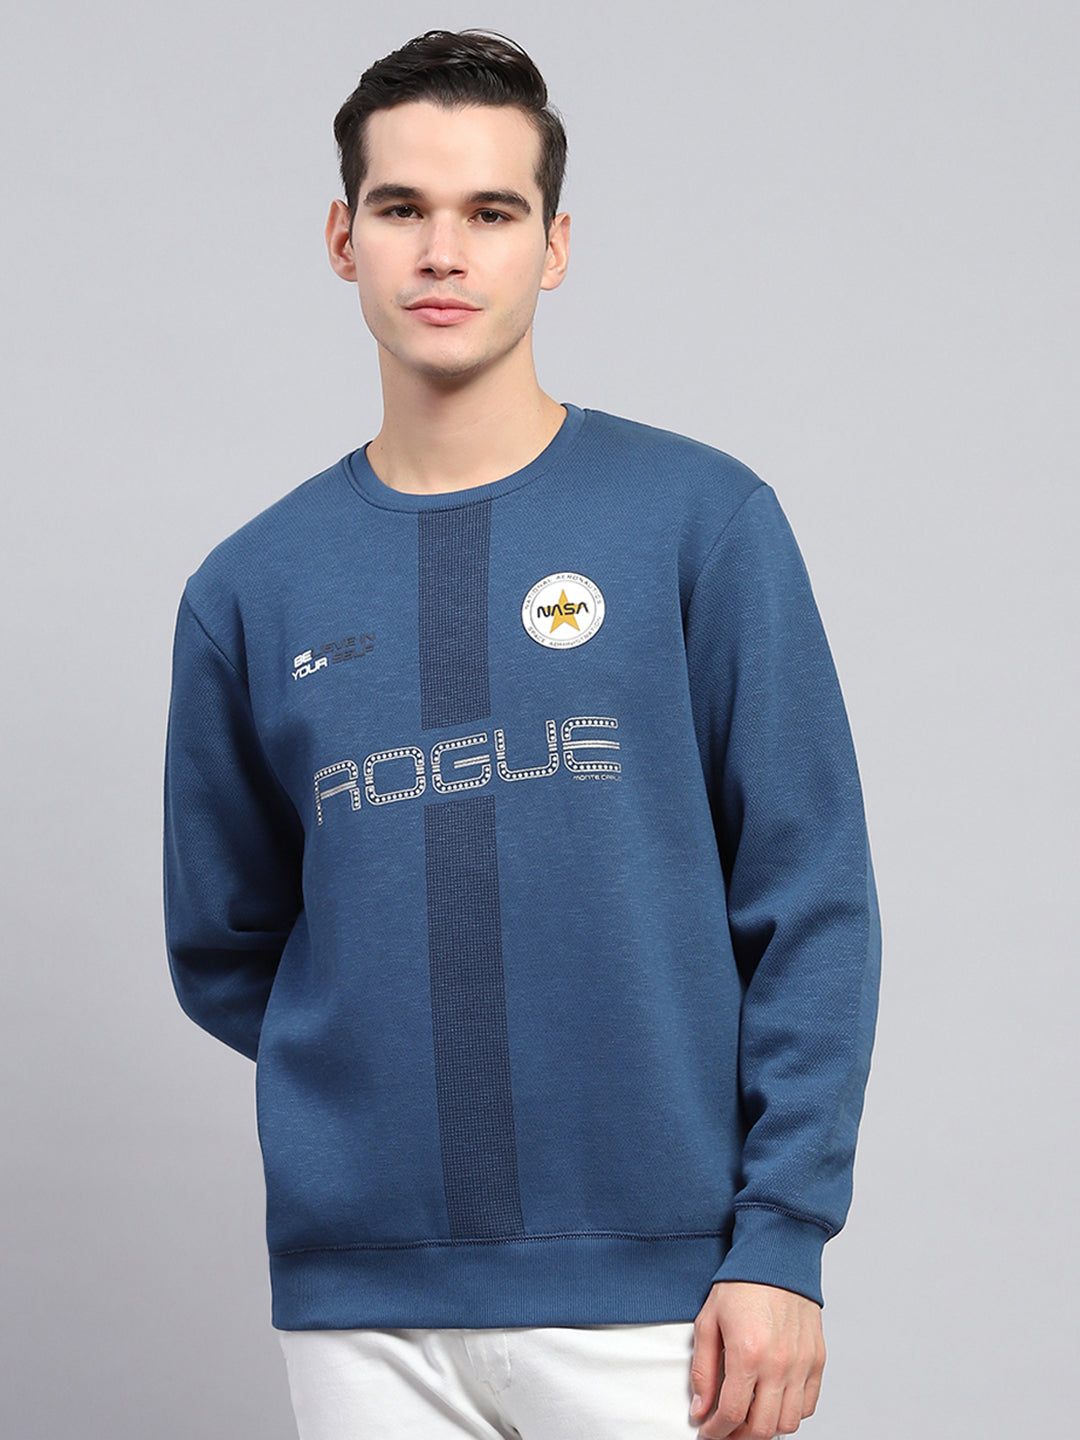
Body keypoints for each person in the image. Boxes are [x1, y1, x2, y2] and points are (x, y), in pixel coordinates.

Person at [163, 27, 880, 1440]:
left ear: (553, 246)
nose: (444, 253)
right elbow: (227, 942)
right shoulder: (248, 589)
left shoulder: (699, 521)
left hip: (665, 1293)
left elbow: (813, 900)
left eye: (490, 212)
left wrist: (782, 1237)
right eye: (402, 208)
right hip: (360, 1309)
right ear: (342, 238)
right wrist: (372, 1080)